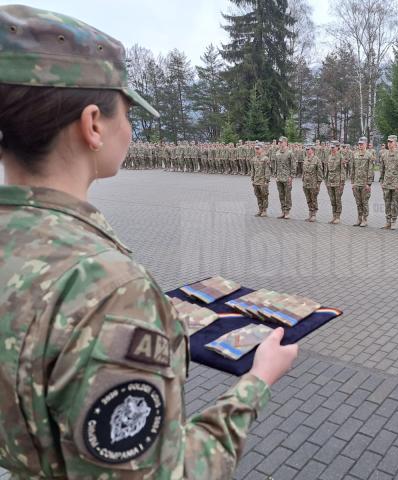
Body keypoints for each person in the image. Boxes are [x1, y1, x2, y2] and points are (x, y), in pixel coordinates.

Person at [0, 5, 298, 478]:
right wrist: (257, 381)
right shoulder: (108, 290)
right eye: (129, 112)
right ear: (93, 123)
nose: (132, 128)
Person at [379, 135, 398, 230]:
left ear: (395, 143)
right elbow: (381, 169)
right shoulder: (384, 154)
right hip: (386, 182)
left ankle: (393, 221)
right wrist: (381, 181)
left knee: (394, 203)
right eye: (388, 142)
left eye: (391, 142)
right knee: (387, 202)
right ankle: (387, 221)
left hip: (396, 183)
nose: (389, 144)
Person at [350, 137, 375, 227]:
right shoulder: (355, 155)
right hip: (357, 183)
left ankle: (365, 219)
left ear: (366, 144)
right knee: (358, 202)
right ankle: (359, 218)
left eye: (362, 144)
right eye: (359, 144)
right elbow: (352, 169)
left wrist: (369, 183)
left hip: (364, 183)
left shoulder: (369, 155)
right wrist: (352, 182)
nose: (360, 145)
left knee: (364, 202)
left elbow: (371, 170)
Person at [324, 141, 347, 224]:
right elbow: (327, 170)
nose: (332, 148)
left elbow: (343, 171)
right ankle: (334, 216)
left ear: (337, 147)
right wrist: (326, 181)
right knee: (332, 200)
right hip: (330, 182)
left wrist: (342, 183)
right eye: (331, 147)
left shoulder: (341, 157)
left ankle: (338, 216)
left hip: (338, 182)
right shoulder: (329, 156)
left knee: (338, 200)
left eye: (333, 147)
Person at [273, 136, 295, 219]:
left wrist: (291, 176)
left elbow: (293, 165)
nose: (280, 143)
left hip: (287, 177)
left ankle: (287, 211)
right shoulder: (277, 152)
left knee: (287, 195)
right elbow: (276, 165)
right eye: (279, 142)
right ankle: (283, 211)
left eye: (281, 142)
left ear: (286, 142)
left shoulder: (290, 153)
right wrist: (275, 175)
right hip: (279, 177)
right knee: (281, 195)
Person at [301, 144, 323, 222]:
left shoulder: (317, 159)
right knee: (308, 199)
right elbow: (303, 171)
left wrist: (319, 183)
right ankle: (310, 213)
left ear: (312, 150)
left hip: (313, 182)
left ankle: (314, 214)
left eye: (308, 149)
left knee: (313, 198)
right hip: (306, 182)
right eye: (306, 149)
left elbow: (320, 172)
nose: (307, 151)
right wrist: (302, 179)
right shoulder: (306, 158)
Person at [251, 142, 272, 216]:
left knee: (264, 196)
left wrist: (267, 180)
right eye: (255, 149)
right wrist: (252, 179)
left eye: (258, 149)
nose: (256, 150)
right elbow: (253, 170)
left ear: (262, 149)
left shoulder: (265, 159)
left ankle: (264, 210)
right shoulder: (254, 159)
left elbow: (267, 170)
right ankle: (260, 209)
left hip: (263, 181)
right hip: (256, 181)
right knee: (258, 196)